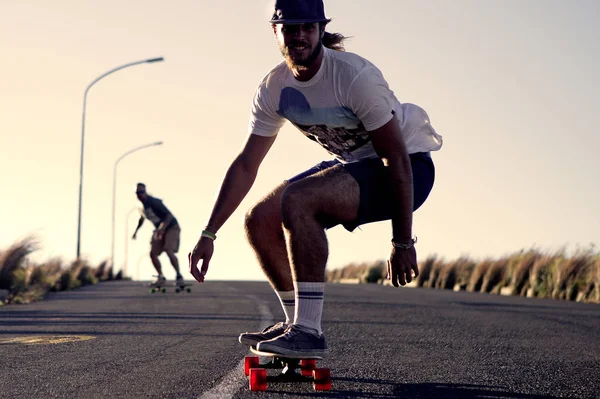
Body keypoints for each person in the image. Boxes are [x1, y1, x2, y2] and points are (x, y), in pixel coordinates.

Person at [188, 0, 443, 357]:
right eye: (290, 28)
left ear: (321, 29)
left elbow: (395, 158)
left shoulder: (353, 76)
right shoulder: (273, 88)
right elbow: (247, 164)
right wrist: (208, 232)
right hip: (355, 164)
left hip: (408, 169)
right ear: (275, 31)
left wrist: (402, 242)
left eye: (308, 27)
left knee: (299, 199)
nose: (299, 36)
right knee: (259, 219)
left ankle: (308, 331)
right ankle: (296, 323)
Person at [132, 182, 184, 288]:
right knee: (152, 253)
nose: (140, 195)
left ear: (145, 192)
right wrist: (136, 232)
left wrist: (161, 229)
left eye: (141, 192)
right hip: (159, 230)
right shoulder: (140, 206)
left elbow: (169, 216)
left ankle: (179, 276)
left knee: (168, 249)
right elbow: (141, 218)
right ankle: (160, 277)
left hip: (171, 227)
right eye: (137, 193)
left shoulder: (154, 202)